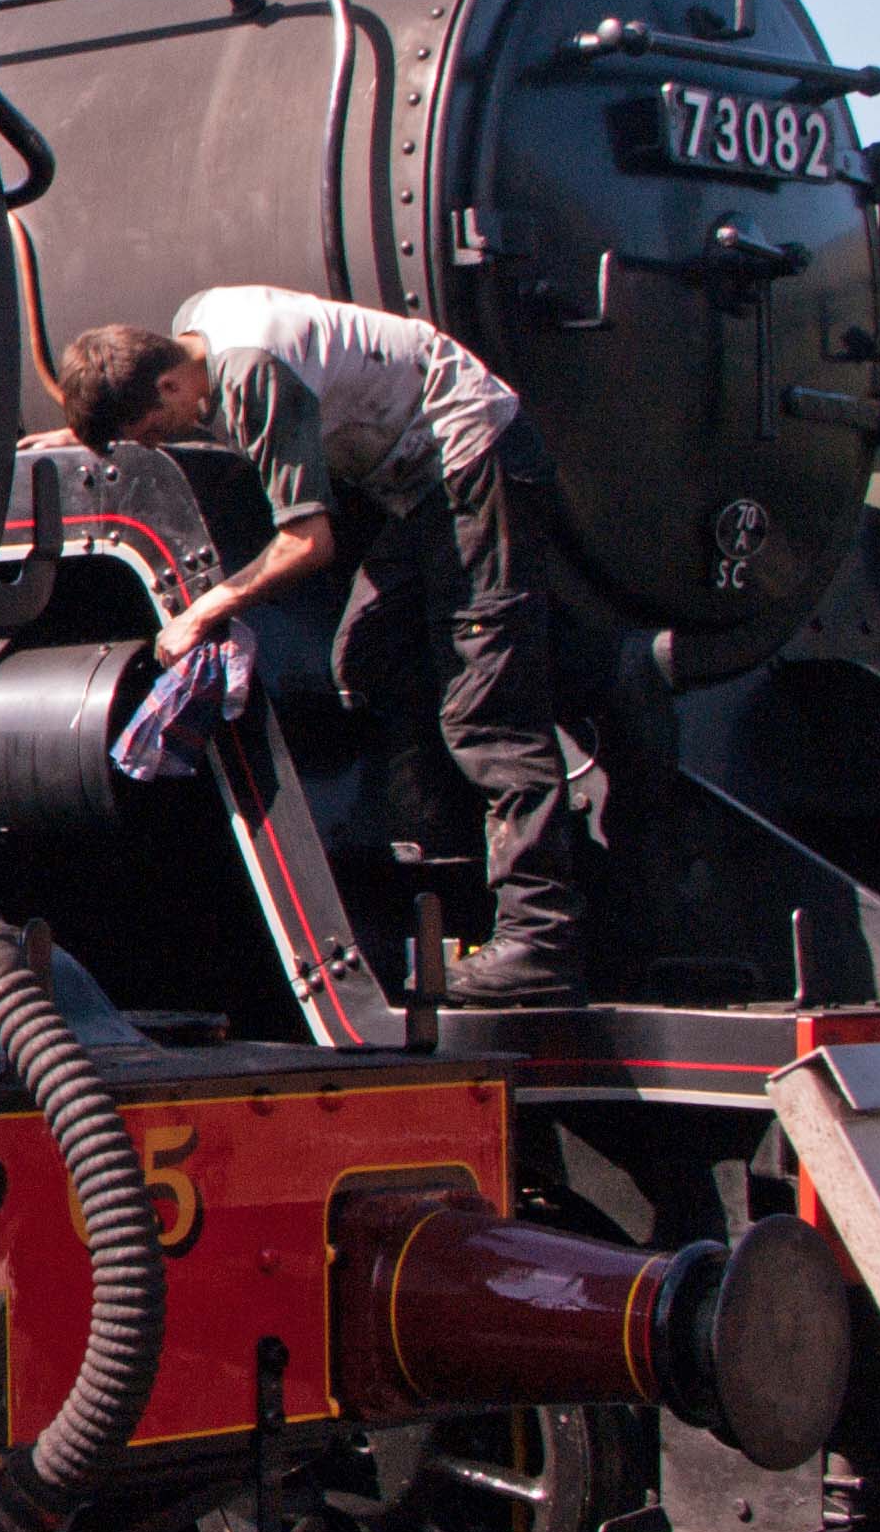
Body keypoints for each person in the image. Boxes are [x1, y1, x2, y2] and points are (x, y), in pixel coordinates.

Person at [54, 290, 589, 1002]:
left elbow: (308, 544)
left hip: (475, 464)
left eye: (155, 430)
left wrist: (205, 610)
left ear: (171, 385)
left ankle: (541, 939)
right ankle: (453, 851)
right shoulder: (195, 329)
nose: (162, 442)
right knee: (369, 653)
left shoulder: (252, 371)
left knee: (486, 714)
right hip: (427, 490)